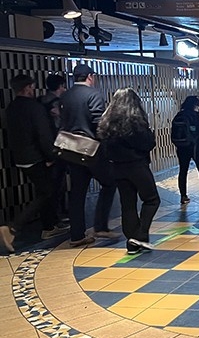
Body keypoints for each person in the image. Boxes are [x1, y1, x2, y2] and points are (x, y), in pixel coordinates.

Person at [0, 75, 69, 253]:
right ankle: (13, 227)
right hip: (36, 158)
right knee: (47, 191)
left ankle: (50, 226)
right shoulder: (35, 108)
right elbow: (43, 136)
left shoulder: (11, 107)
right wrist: (51, 157)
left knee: (44, 189)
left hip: (20, 158)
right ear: (29, 87)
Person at [59, 63, 119, 247]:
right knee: (109, 183)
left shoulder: (66, 95)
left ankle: (77, 235)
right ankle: (100, 226)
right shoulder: (93, 94)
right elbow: (98, 122)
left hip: (70, 149)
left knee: (77, 192)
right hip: (91, 149)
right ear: (90, 76)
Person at [98, 88, 159, 255]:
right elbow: (148, 143)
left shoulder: (107, 122)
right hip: (137, 165)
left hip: (117, 167)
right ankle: (141, 235)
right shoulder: (135, 121)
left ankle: (132, 244)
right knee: (152, 199)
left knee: (128, 204)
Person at [38, 73, 69, 222]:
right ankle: (56, 216)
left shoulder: (39, 102)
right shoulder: (57, 103)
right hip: (57, 147)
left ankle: (51, 215)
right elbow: (60, 126)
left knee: (48, 185)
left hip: (42, 150)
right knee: (58, 183)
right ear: (60, 86)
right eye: (63, 86)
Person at [172, 95, 199, 204]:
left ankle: (183, 196)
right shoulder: (196, 115)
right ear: (195, 105)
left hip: (181, 148)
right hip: (196, 146)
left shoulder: (178, 115)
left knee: (183, 171)